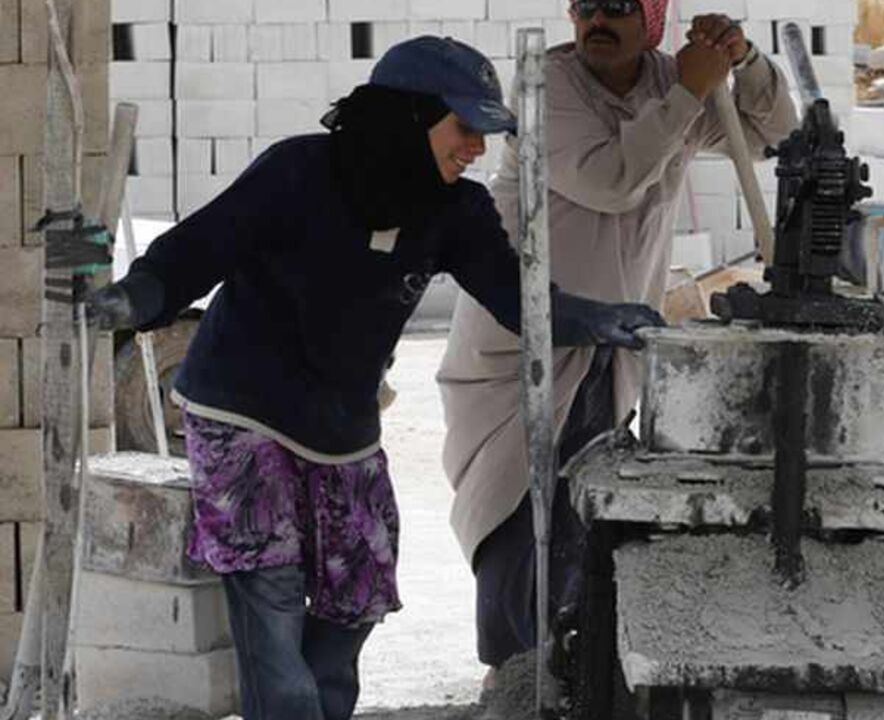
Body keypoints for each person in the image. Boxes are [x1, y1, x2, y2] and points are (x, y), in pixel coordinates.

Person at [85, 36, 663, 720]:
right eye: (465, 127)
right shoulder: (297, 172)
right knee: (270, 595)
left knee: (356, 592)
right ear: (412, 117)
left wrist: (601, 321)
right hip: (242, 413)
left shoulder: (456, 211)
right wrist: (137, 296)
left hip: (342, 428)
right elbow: (198, 249)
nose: (477, 146)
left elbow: (520, 300)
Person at [436, 0, 798, 676]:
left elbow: (775, 133)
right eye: (587, 6)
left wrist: (741, 61)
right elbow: (610, 181)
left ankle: (573, 680)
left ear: (652, 19)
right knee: (519, 521)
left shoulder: (671, 82)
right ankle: (519, 684)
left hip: (609, 352)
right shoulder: (547, 87)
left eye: (618, 7)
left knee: (587, 529)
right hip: (524, 347)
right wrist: (693, 88)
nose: (598, 20)